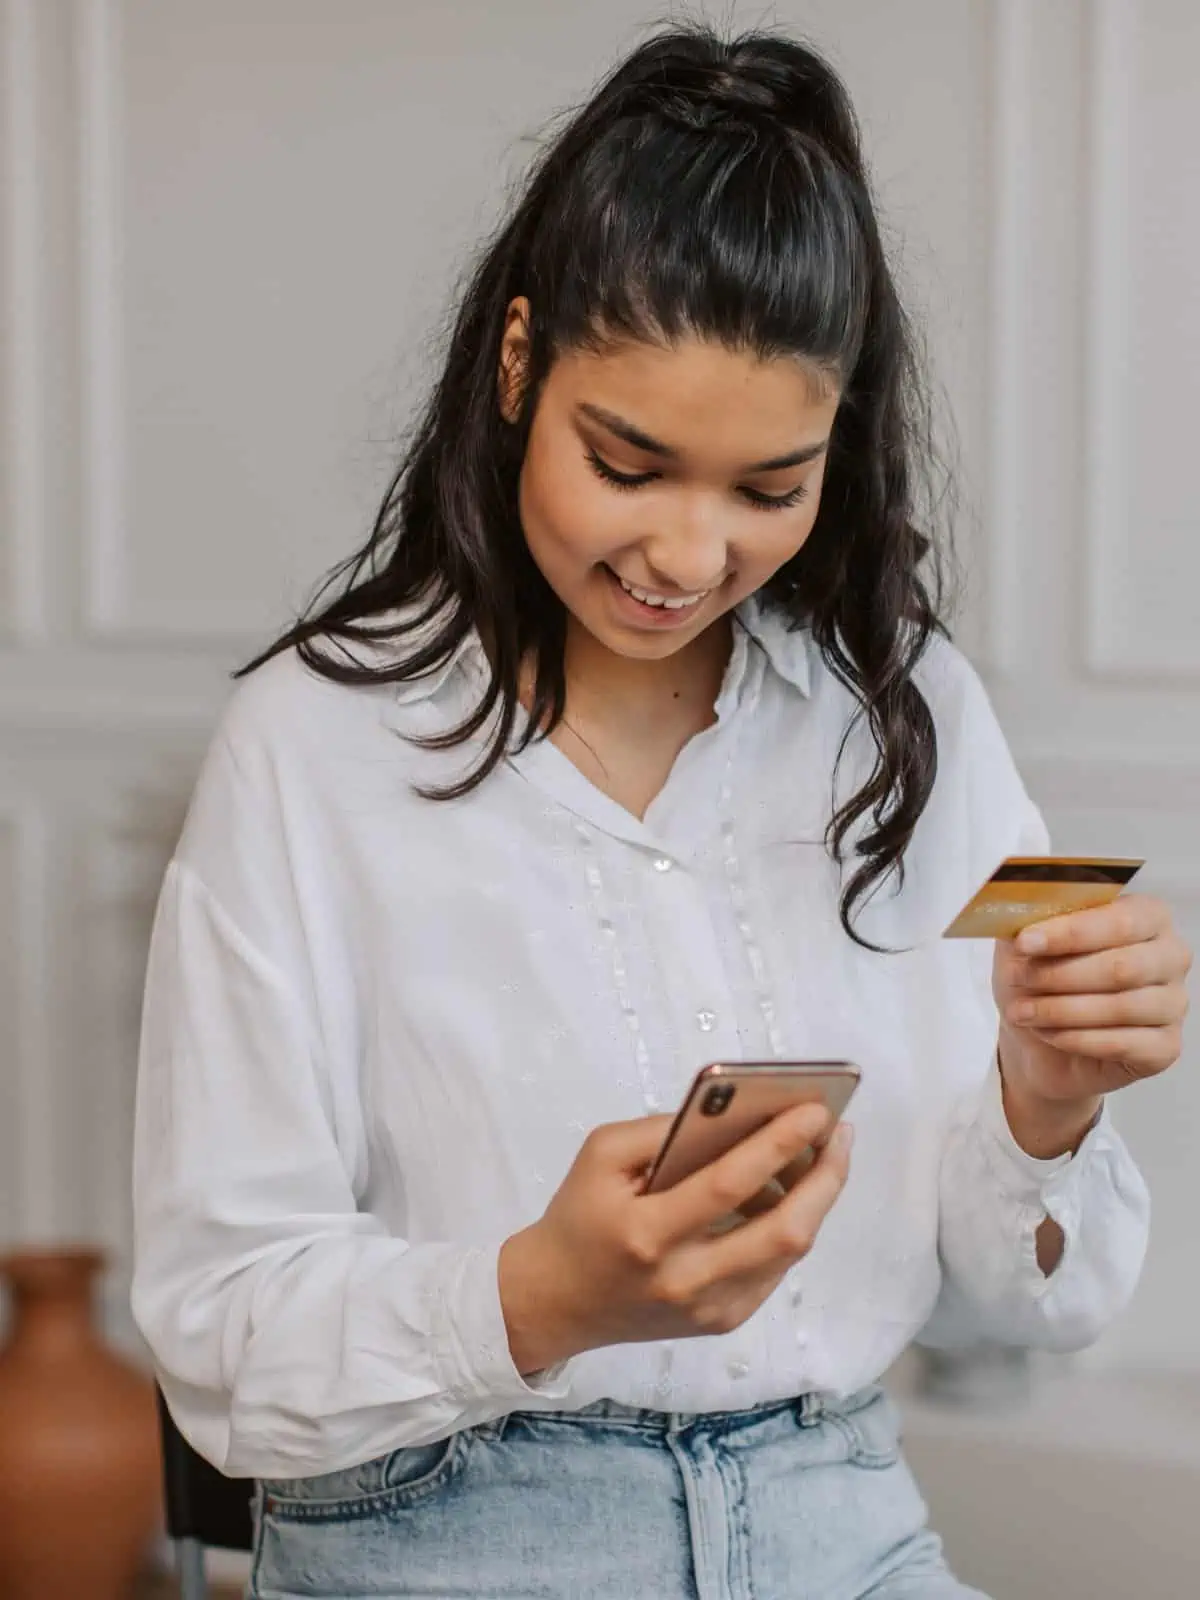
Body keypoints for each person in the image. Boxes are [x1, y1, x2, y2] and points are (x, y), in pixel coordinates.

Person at [131, 23, 1191, 1600]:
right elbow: (221, 1327)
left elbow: (1015, 1315)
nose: (691, 557)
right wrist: (531, 1300)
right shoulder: (312, 746)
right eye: (627, 462)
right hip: (443, 1542)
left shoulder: (916, 721)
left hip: (846, 1516)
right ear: (516, 363)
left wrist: (1046, 1100)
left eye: (770, 488)